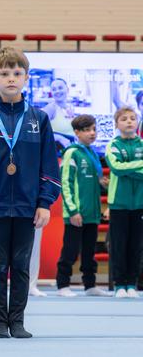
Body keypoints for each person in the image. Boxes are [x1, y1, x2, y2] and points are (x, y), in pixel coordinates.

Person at [0, 47, 61, 339]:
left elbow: (48, 165)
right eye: (4, 74)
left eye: (17, 74)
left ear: (26, 78)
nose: (11, 79)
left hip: (27, 206)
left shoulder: (38, 119)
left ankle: (17, 321)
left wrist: (45, 203)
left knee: (20, 267)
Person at [56, 114, 111, 297]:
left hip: (92, 213)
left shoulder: (93, 153)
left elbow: (90, 180)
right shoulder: (72, 152)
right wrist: (72, 211)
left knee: (89, 252)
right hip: (76, 213)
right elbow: (66, 183)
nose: (92, 133)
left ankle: (90, 285)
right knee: (70, 250)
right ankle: (63, 284)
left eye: (94, 129)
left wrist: (102, 183)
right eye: (87, 130)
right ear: (77, 132)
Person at [104, 106, 143, 298]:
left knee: (136, 246)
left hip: (139, 204)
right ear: (117, 124)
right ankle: (119, 284)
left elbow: (124, 168)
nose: (129, 121)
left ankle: (131, 284)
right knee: (119, 244)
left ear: (137, 122)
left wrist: (129, 170)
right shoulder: (113, 145)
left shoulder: (141, 144)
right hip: (119, 203)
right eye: (124, 119)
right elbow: (117, 168)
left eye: (132, 118)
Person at [42, 78, 75, 148]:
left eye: (60, 88)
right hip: (55, 153)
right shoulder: (50, 108)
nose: (57, 91)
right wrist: (58, 138)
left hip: (70, 150)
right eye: (54, 89)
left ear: (67, 89)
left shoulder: (70, 108)